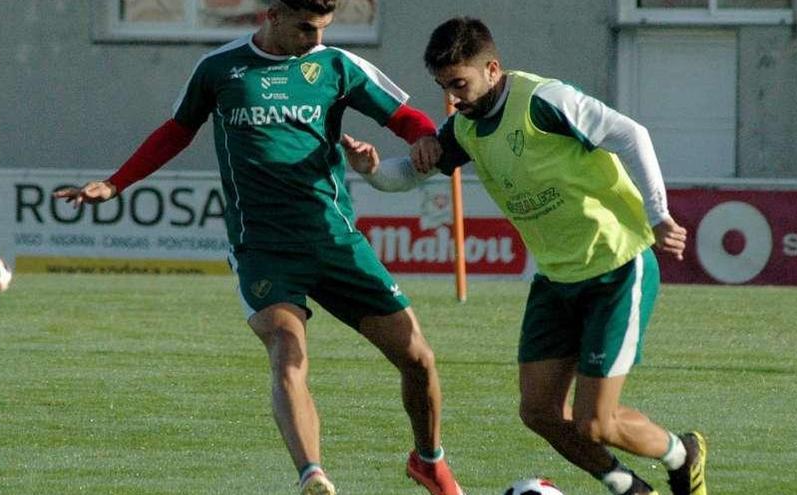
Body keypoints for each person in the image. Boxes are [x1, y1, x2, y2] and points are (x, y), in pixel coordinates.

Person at [52, 2, 464, 495]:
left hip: (334, 240)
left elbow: (403, 116)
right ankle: (313, 474)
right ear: (272, 15)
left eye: (323, 28)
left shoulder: (335, 66)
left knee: (418, 358)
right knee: (287, 350)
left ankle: (428, 460)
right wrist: (116, 183)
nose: (315, 38)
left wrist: (423, 139)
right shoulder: (220, 69)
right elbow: (175, 132)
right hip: (263, 249)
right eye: (305, 27)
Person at [341, 16, 707, 495]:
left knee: (597, 421)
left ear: (492, 69)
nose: (453, 97)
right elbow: (409, 174)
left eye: (460, 83)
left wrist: (658, 215)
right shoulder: (465, 128)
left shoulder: (544, 101)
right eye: (444, 86)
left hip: (616, 266)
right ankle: (630, 488)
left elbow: (630, 134)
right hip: (556, 280)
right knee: (538, 412)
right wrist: (371, 171)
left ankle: (683, 455)